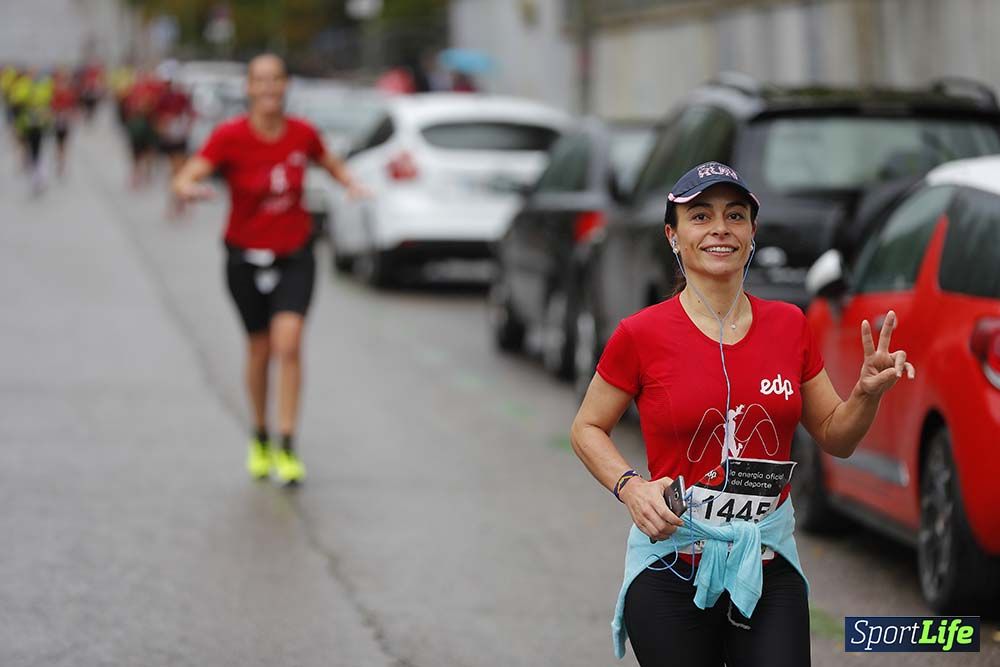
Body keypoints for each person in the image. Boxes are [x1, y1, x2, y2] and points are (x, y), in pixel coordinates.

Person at [569, 161, 915, 666]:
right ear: (674, 235)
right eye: (700, 216)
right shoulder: (640, 334)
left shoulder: (788, 325)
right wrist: (631, 487)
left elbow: (835, 436)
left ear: (752, 234)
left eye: (735, 216)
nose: (719, 229)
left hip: (765, 565)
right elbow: (586, 427)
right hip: (672, 566)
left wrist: (864, 394)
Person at [172, 53, 368, 485]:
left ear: (286, 85)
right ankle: (259, 433)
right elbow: (191, 171)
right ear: (248, 87)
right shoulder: (229, 136)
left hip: (295, 254)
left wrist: (351, 184)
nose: (268, 88)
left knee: (289, 344)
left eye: (275, 79)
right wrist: (188, 187)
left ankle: (287, 445)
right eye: (259, 80)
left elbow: (329, 162)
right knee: (259, 350)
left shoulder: (302, 134)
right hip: (244, 256)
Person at [153, 70, 194, 217]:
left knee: (178, 170)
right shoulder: (163, 98)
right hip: (170, 138)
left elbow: (191, 114)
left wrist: (185, 127)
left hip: (179, 137)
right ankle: (177, 202)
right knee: (176, 171)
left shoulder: (181, 96)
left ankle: (178, 202)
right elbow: (157, 117)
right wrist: (163, 127)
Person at [51, 68, 78, 178]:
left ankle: (62, 161)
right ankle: (60, 160)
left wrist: (71, 114)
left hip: (65, 120)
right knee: (59, 142)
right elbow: (51, 105)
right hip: (58, 120)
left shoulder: (69, 92)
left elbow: (73, 105)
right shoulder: (55, 91)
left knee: (64, 142)